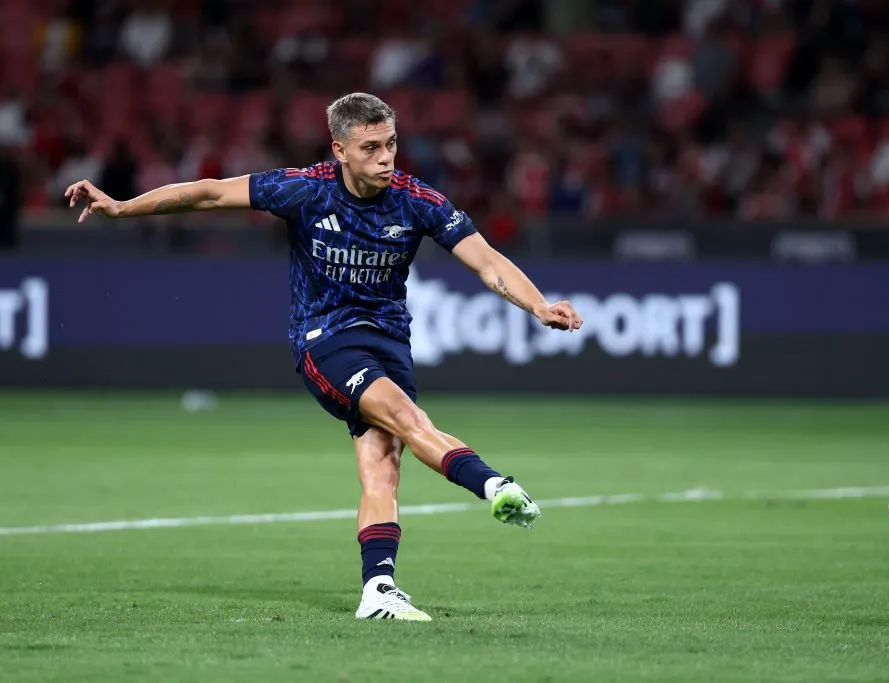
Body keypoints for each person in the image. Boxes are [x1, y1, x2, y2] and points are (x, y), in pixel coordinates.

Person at [64, 92, 584, 621]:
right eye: (372, 147)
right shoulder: (305, 190)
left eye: (392, 145)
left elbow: (487, 260)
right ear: (340, 149)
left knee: (382, 466)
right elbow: (208, 193)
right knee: (407, 419)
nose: (386, 158)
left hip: (389, 341)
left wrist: (538, 305)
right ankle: (494, 484)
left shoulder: (417, 200)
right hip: (326, 339)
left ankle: (378, 591)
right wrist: (124, 207)